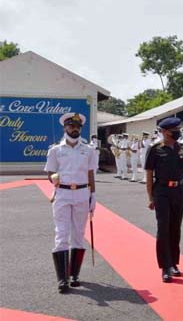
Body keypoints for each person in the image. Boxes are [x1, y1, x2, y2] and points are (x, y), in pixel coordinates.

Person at [45, 112, 97, 293]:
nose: (75, 129)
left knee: (79, 234)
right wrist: (54, 178)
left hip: (82, 193)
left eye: (78, 126)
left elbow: (91, 173)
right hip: (63, 194)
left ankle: (75, 275)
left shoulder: (88, 149)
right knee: (61, 233)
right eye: (71, 126)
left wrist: (93, 195)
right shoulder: (55, 150)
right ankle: (62, 279)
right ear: (65, 127)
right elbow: (49, 172)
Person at [144, 116, 183, 283]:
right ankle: (165, 266)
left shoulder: (182, 147)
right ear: (165, 132)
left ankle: (174, 263)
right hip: (162, 191)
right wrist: (151, 197)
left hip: (179, 190)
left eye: (178, 130)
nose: (177, 133)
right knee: (163, 227)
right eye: (174, 130)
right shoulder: (155, 149)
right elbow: (149, 175)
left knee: (175, 227)